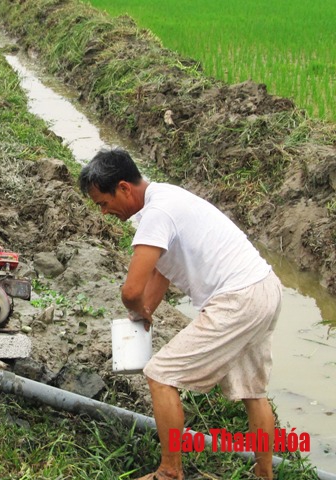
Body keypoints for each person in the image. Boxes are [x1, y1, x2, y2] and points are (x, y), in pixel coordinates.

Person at [79, 148, 282, 480]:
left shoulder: (158, 212)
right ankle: (265, 475)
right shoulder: (167, 197)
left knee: (161, 374)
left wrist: (136, 307)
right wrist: (145, 314)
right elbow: (163, 271)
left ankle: (170, 472)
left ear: (124, 188)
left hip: (238, 299)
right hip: (264, 287)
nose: (104, 213)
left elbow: (130, 291)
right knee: (253, 391)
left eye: (103, 203)